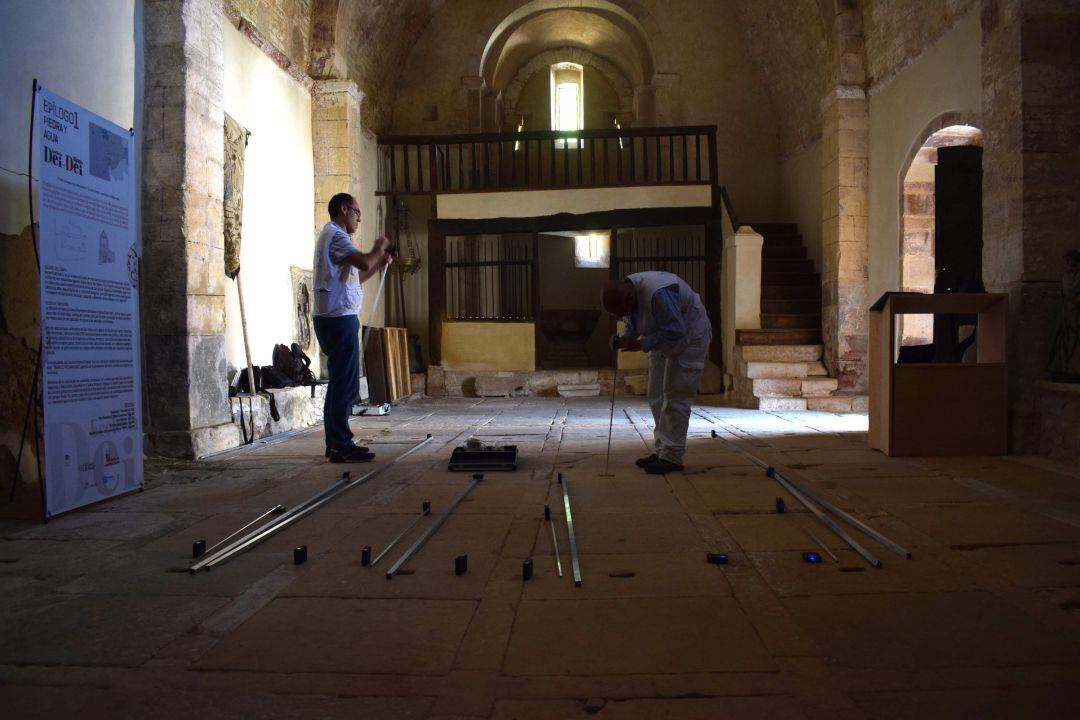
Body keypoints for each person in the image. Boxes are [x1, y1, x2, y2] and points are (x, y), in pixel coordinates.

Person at [602, 271, 712, 474]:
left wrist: (641, 344)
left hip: (690, 337)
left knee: (676, 396)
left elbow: (675, 330)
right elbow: (633, 323)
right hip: (661, 339)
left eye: (622, 311)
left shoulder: (658, 293)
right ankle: (662, 450)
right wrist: (624, 339)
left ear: (630, 298)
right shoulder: (631, 293)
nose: (623, 316)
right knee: (656, 396)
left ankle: (672, 457)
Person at [312, 193, 392, 463]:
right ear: (344, 210)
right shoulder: (336, 236)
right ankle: (339, 444)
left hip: (336, 317)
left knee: (341, 382)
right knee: (343, 384)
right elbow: (364, 261)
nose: (359, 217)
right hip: (337, 319)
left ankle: (337, 441)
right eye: (357, 212)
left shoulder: (332, 237)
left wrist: (377, 263)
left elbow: (356, 278)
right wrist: (379, 248)